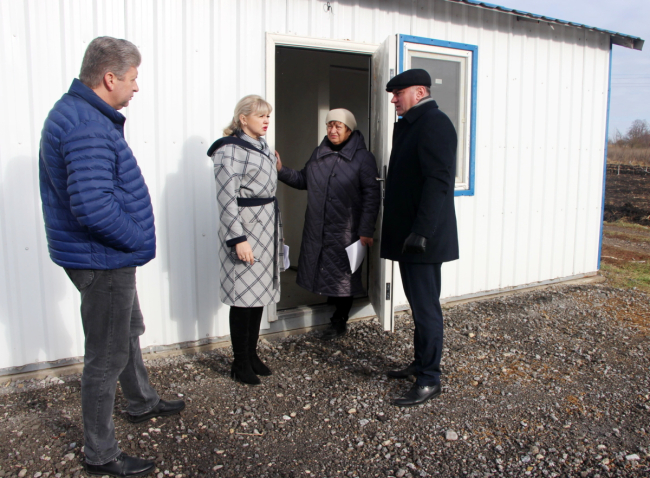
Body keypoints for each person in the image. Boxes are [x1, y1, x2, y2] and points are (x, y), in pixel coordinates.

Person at [39, 36, 185, 477]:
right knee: (105, 357)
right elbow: (93, 206)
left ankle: (140, 401)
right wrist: (138, 238)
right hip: (102, 257)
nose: (136, 87)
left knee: (128, 330)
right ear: (109, 78)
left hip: (105, 255)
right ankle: (100, 453)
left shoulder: (79, 113)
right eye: (132, 78)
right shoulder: (86, 124)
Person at [380, 69, 459, 407]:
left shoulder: (434, 123)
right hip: (409, 235)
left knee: (427, 309)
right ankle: (420, 363)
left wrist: (422, 232)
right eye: (393, 94)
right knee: (419, 305)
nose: (393, 99)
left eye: (398, 93)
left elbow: (439, 181)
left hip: (421, 238)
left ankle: (430, 378)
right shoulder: (413, 124)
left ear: (420, 91)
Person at [276, 109, 380, 340]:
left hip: (346, 230)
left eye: (338, 126)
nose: (332, 130)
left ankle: (339, 321)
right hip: (318, 226)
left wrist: (366, 229)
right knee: (326, 269)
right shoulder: (319, 153)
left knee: (344, 276)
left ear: (349, 130)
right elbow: (304, 179)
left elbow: (372, 196)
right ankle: (331, 307)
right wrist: (281, 170)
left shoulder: (363, 158)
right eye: (329, 125)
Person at [208, 95, 285, 385]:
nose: (266, 121)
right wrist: (237, 238)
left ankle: (251, 355)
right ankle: (239, 362)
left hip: (266, 229)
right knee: (242, 297)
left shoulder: (263, 147)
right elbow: (226, 198)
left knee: (258, 295)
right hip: (246, 230)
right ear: (243, 119)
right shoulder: (228, 150)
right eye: (260, 116)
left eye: (268, 116)